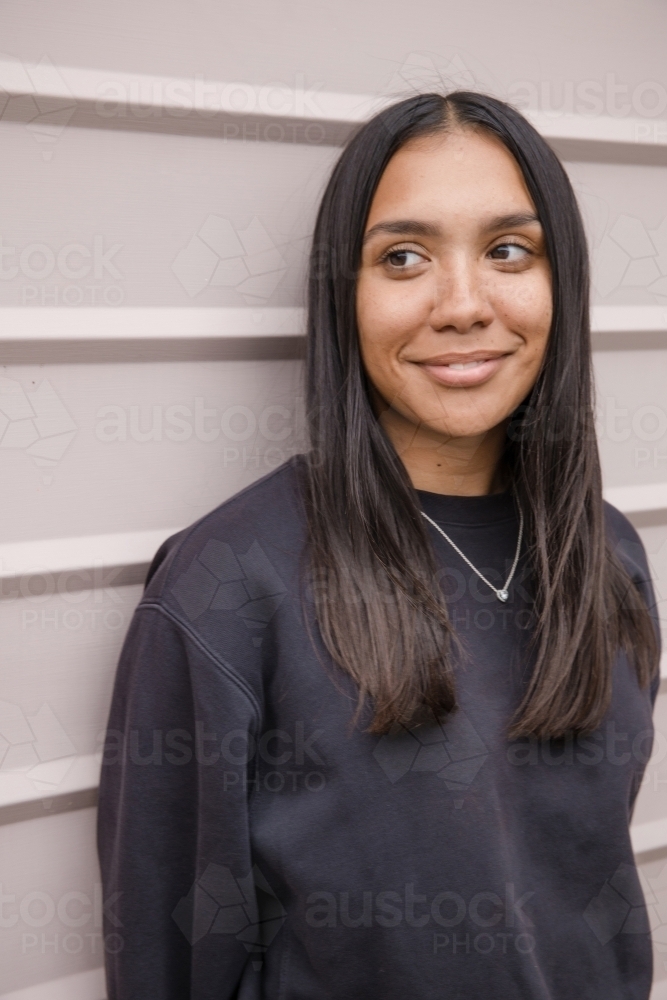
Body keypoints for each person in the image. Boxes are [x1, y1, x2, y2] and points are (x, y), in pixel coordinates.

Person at [97, 91, 661, 999]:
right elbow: (170, 963)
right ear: (343, 294)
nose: (463, 304)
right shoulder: (227, 587)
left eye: (508, 250)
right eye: (403, 257)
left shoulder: (610, 557)